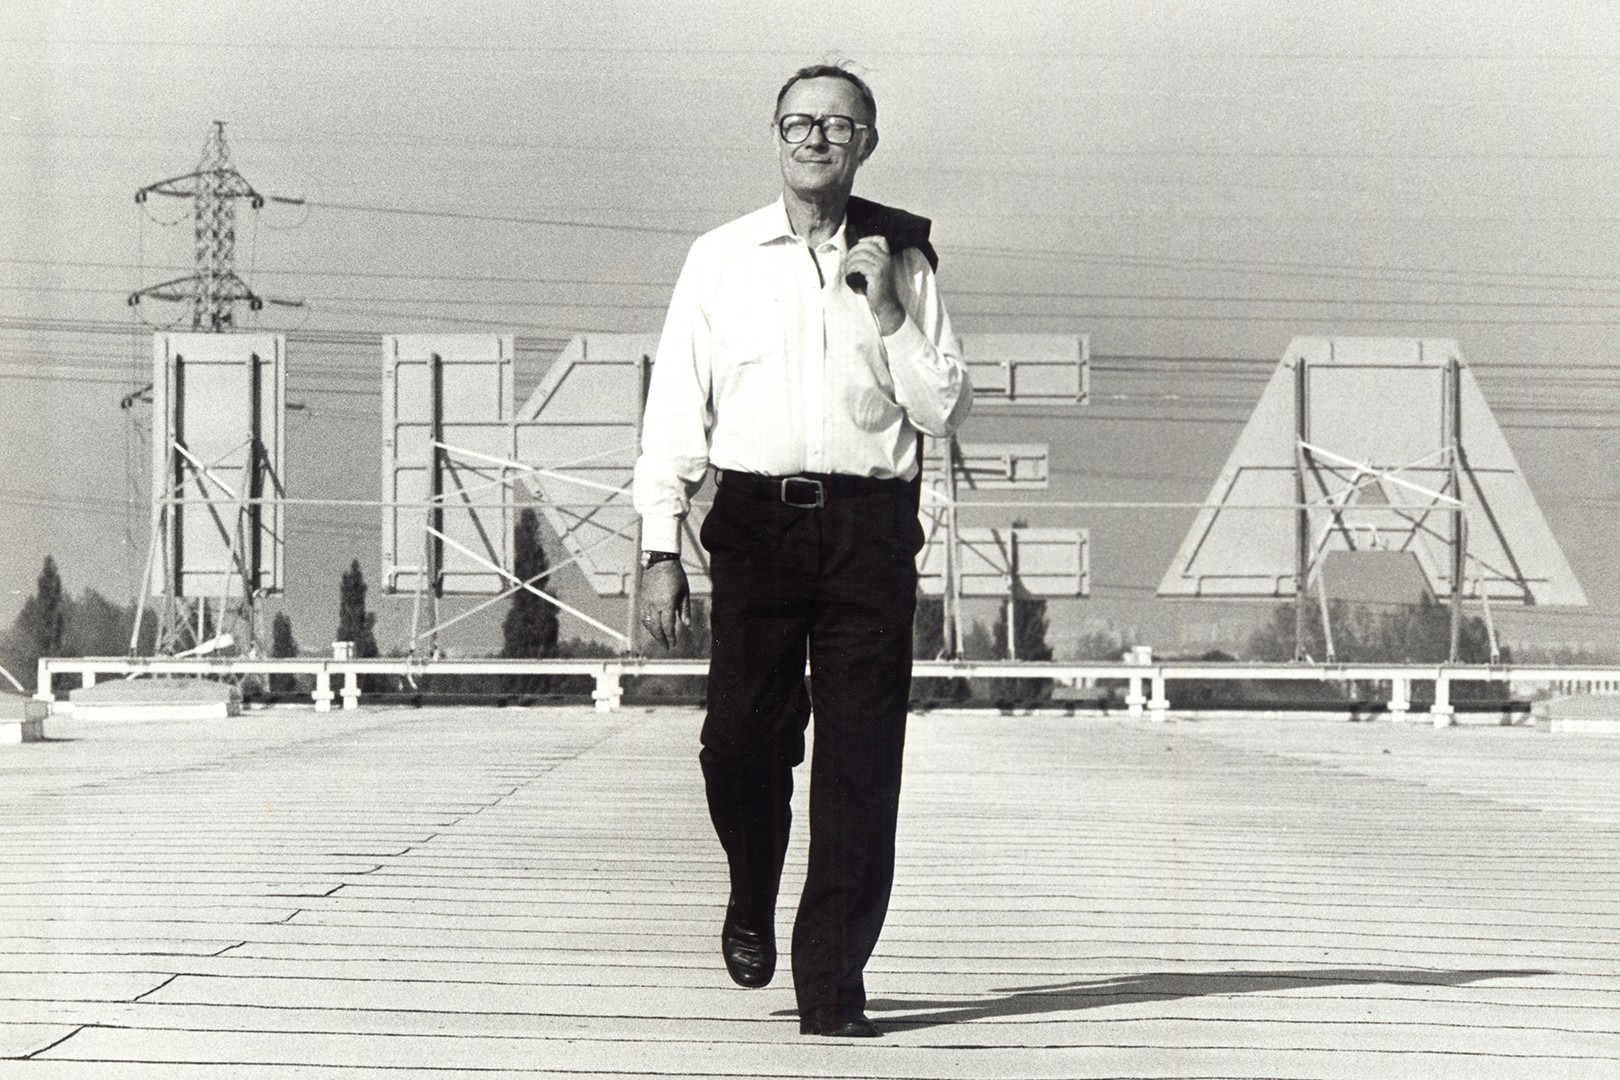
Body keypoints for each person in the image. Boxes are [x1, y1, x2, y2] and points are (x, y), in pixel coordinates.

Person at [632, 63, 971, 1038]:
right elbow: (675, 408)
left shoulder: (903, 262)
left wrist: (889, 310)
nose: (816, 138)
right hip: (756, 523)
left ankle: (831, 987)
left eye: (837, 125)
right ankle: (751, 887)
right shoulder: (720, 258)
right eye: (798, 123)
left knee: (860, 761)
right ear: (776, 137)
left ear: (867, 144)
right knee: (740, 743)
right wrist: (661, 547)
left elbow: (943, 407)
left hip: (870, 528)